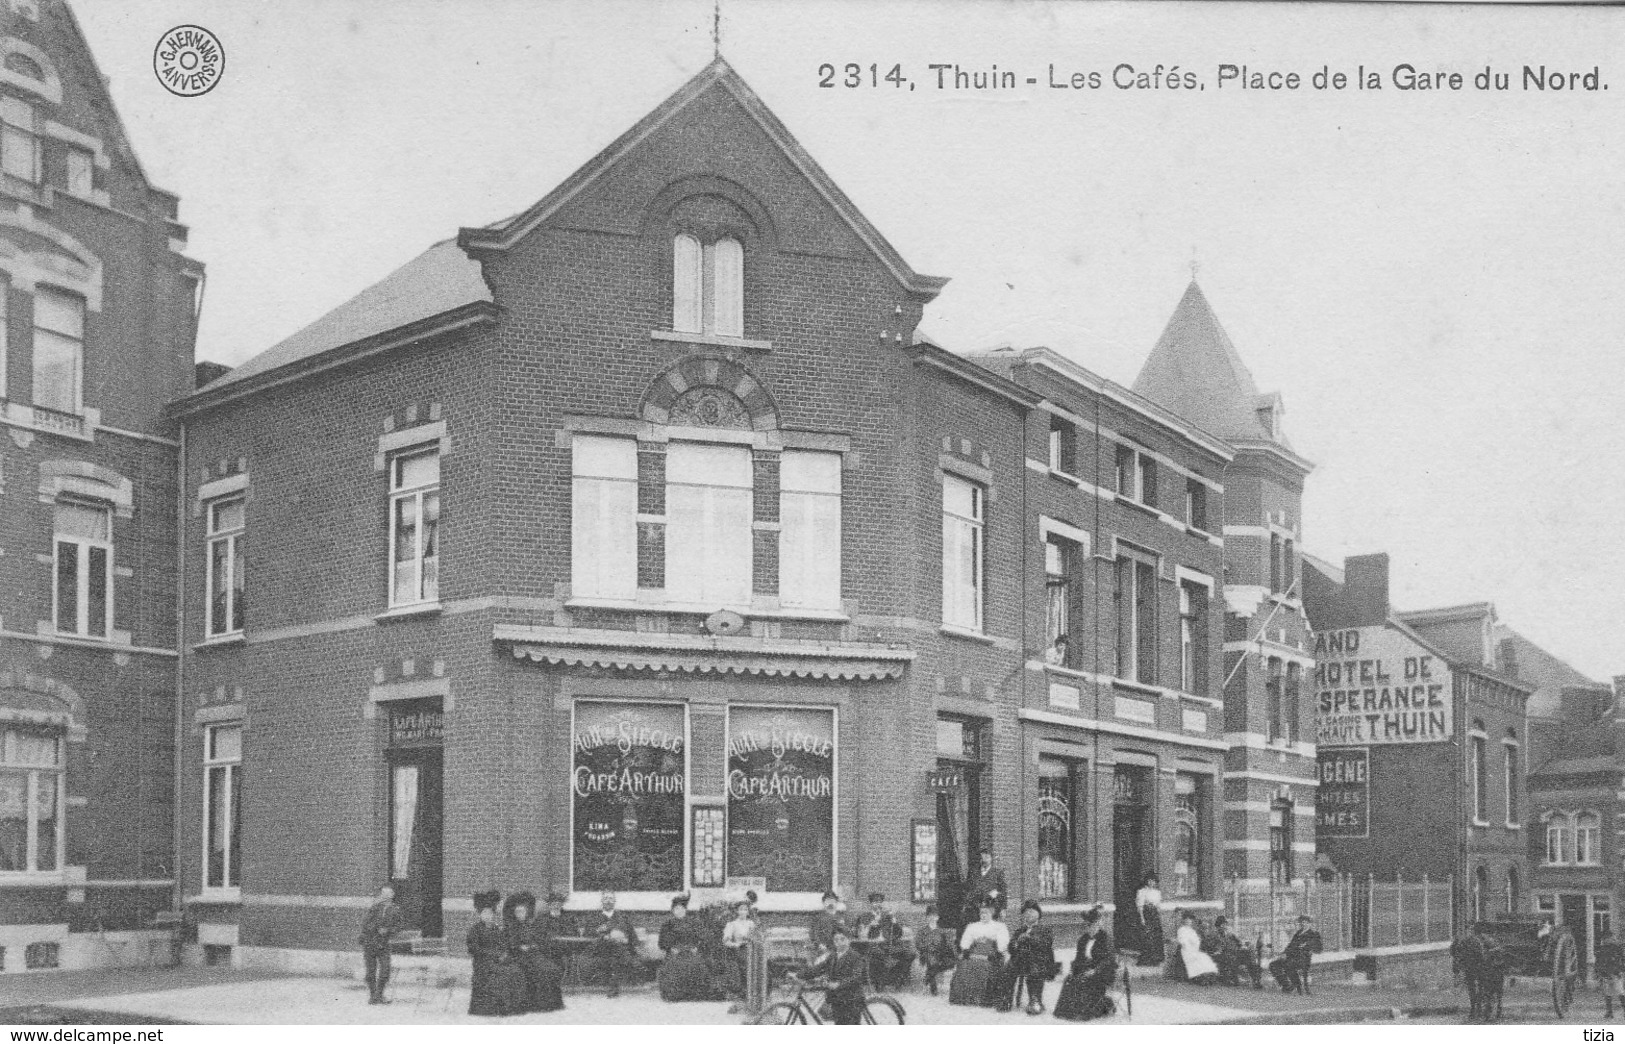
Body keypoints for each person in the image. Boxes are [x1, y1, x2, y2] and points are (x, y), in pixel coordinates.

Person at [467, 891, 528, 1016]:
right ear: (480, 914)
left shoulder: (496, 929)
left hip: (497, 959)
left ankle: (513, 1008)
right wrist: (493, 954)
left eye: (490, 913)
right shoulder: (475, 930)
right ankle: (495, 1008)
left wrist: (503, 954)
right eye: (485, 913)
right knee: (503, 973)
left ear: (493, 914)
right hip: (483, 962)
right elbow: (474, 949)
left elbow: (503, 945)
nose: (488, 916)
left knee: (516, 971)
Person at [504, 890, 564, 1013]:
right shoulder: (510, 927)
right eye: (518, 912)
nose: (521, 914)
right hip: (517, 955)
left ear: (527, 913)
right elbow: (509, 944)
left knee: (550, 968)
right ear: (515, 913)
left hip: (533, 954)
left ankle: (550, 1003)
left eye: (523, 912)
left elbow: (538, 939)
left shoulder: (530, 925)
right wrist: (520, 947)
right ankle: (535, 1004)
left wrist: (534, 945)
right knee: (536, 970)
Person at [1054, 905, 1117, 1021]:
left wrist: (1095, 971)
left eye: (1091, 925)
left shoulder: (1106, 938)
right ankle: (1066, 1011)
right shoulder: (1083, 939)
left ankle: (1087, 1011)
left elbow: (1109, 960)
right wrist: (1073, 970)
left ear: (1098, 924)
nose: (1088, 928)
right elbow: (1078, 959)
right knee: (1069, 979)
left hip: (1102, 971)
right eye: (1087, 925)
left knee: (1085, 981)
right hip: (1086, 969)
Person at [797, 925, 868, 1025]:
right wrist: (798, 975)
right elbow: (818, 969)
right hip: (837, 1000)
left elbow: (856, 977)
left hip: (852, 1000)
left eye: (842, 939)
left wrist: (838, 984)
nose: (839, 942)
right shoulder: (833, 956)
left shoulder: (855, 956)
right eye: (836, 940)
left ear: (849, 940)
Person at [1001, 899, 1059, 1015]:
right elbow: (1011, 949)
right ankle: (1005, 999)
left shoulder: (1045, 930)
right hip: (1021, 960)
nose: (1029, 914)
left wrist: (1030, 938)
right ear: (1023, 916)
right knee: (1008, 968)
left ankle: (1035, 1000)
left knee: (1035, 969)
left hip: (1039, 960)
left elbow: (1046, 944)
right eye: (1026, 912)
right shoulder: (1019, 930)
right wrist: (1017, 942)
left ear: (1038, 914)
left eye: (1032, 911)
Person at [656, 894, 716, 1002]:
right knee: (674, 966)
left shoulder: (694, 923)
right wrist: (670, 948)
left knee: (696, 964)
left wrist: (697, 947)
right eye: (676, 909)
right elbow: (661, 942)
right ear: (672, 911)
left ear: (685, 910)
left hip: (692, 950)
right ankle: (675, 995)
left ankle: (694, 995)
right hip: (675, 951)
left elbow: (705, 938)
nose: (679, 911)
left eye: (681, 908)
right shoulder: (667, 924)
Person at [951, 897, 1010, 1006]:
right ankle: (965, 998)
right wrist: (966, 950)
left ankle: (984, 999)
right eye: (981, 913)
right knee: (964, 966)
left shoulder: (999, 926)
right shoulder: (972, 926)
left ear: (991, 913)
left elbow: (1003, 942)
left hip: (990, 954)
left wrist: (998, 951)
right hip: (974, 953)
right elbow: (966, 940)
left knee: (987, 968)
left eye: (986, 913)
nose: (983, 915)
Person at [584, 890, 640, 998]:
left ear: (614, 901)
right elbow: (587, 934)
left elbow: (632, 935)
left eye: (610, 898)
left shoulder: (622, 918)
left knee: (616, 952)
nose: (608, 901)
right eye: (605, 898)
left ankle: (613, 987)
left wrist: (628, 941)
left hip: (618, 950)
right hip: (600, 949)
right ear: (602, 901)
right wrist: (600, 933)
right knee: (616, 949)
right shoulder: (594, 917)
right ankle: (614, 986)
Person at [855, 891, 915, 990]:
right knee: (879, 955)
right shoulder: (864, 917)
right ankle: (880, 983)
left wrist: (895, 923)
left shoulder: (887, 916)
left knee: (910, 954)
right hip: (873, 946)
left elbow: (898, 933)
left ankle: (899, 979)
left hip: (888, 945)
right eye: (874, 902)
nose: (877, 904)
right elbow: (861, 936)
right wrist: (870, 925)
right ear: (870, 904)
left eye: (879, 902)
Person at [359, 884, 403, 1005]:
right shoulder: (374, 907)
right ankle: (373, 996)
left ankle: (379, 995)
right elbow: (365, 923)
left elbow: (399, 926)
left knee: (385, 970)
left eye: (388, 893)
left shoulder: (396, 909)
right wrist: (375, 928)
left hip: (384, 944)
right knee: (370, 972)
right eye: (383, 893)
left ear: (392, 895)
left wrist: (388, 930)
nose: (385, 895)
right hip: (370, 942)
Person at [720, 897, 759, 1010]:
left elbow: (756, 937)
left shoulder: (751, 924)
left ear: (748, 911)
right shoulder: (732, 924)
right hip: (739, 953)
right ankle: (741, 1003)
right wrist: (736, 945)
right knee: (743, 977)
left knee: (755, 975)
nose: (743, 912)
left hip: (752, 951)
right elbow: (726, 941)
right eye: (741, 909)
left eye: (745, 909)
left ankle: (754, 1001)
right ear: (737, 911)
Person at [1269, 915, 1323, 993]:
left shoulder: (1314, 934)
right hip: (1291, 956)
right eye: (1301, 923)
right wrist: (1284, 953)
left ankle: (1296, 984)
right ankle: (1286, 985)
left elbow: (1319, 949)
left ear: (1309, 923)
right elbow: (1290, 945)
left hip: (1303, 959)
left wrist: (1308, 945)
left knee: (1288, 964)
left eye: (1305, 922)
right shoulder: (1298, 933)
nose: (1303, 924)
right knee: (1273, 965)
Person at [1205, 915, 1263, 989]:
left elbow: (1240, 943)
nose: (1224, 926)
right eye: (1222, 924)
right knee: (1232, 957)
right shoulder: (1213, 935)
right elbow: (1212, 948)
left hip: (1234, 953)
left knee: (1248, 954)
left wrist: (1242, 945)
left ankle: (1256, 980)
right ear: (1218, 925)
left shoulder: (1229, 934)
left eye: (1225, 924)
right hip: (1223, 955)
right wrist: (1218, 949)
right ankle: (1233, 979)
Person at [914, 904, 958, 996]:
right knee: (932, 961)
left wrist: (956, 956)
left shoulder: (942, 931)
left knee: (945, 963)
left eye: (934, 916)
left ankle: (926, 980)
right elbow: (918, 944)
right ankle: (934, 990)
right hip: (927, 954)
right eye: (930, 916)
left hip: (940, 956)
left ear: (937, 917)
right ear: (927, 917)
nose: (932, 918)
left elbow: (950, 945)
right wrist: (929, 947)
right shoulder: (922, 931)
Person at [1175, 911, 1220, 985]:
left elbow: (1197, 941)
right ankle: (1199, 978)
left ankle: (1206, 977)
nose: (1188, 921)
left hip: (1193, 950)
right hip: (1185, 950)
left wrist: (1195, 946)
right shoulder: (1181, 930)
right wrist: (1190, 946)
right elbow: (1182, 941)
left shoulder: (1192, 931)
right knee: (1196, 960)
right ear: (1183, 920)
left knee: (1205, 958)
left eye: (1190, 919)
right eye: (1186, 919)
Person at [966, 849, 1009, 923]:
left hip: (992, 909)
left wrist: (1003, 908)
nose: (984, 860)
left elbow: (1003, 891)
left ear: (991, 858)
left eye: (987, 857)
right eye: (982, 858)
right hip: (976, 910)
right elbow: (969, 890)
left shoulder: (997, 873)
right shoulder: (974, 873)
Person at [1135, 873, 1166, 966]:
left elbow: (1158, 906)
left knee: (1156, 936)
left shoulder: (1157, 892)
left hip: (1155, 915)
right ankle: (1146, 959)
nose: (1151, 882)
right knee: (1147, 936)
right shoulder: (1142, 891)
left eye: (1153, 881)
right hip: (1146, 914)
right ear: (1146, 881)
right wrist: (1142, 918)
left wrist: (1160, 916)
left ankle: (1155, 959)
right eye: (1149, 880)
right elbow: (1140, 906)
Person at [810, 889, 850, 957]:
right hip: (823, 949)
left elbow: (847, 934)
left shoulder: (841, 918)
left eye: (833, 901)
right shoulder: (818, 918)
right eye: (828, 901)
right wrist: (820, 945)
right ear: (823, 903)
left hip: (840, 949)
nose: (830, 904)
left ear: (836, 903)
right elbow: (813, 933)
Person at [1599, 928, 1625, 1019]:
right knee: (1607, 992)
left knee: (1620, 991)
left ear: (1610, 937)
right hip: (1606, 973)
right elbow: (1599, 961)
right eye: (1604, 939)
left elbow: (1622, 960)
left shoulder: (1617, 947)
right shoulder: (1602, 948)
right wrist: (1600, 972)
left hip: (1615, 973)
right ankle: (1609, 1012)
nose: (1605, 940)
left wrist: (1620, 970)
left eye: (1606, 938)